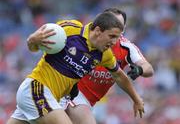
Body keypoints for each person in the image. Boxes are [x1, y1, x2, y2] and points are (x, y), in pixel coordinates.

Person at [7, 12, 144, 124]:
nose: (114, 42)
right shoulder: (69, 29)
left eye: (117, 37)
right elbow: (33, 45)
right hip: (37, 89)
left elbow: (119, 76)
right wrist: (32, 40)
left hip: (49, 97)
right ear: (97, 31)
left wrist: (136, 99)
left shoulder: (105, 55)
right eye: (112, 36)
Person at [60, 8, 154, 124]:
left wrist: (139, 70)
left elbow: (147, 69)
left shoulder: (126, 48)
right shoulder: (87, 39)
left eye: (118, 25)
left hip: (92, 102)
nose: (113, 26)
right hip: (74, 93)